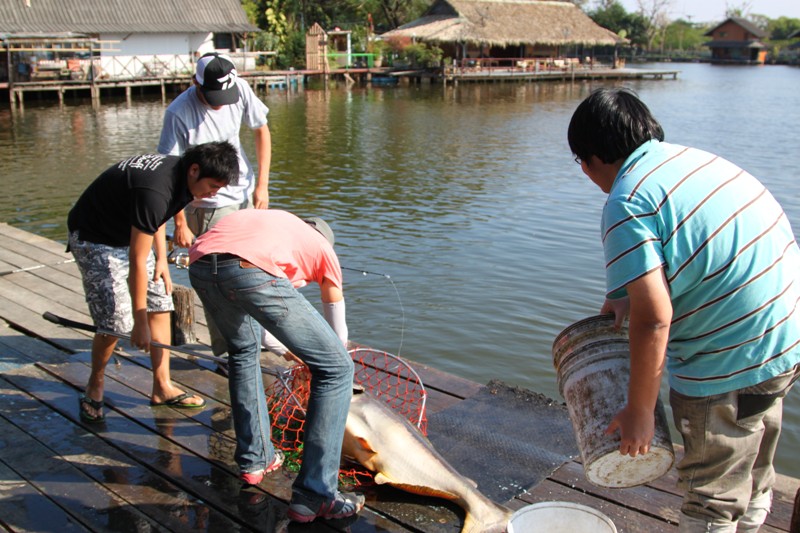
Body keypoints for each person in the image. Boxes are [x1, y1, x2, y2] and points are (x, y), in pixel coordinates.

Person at [567, 87, 800, 532]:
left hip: (726, 359)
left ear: (591, 157)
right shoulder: (696, 162)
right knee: (753, 468)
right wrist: (616, 305)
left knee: (710, 497)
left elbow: (654, 318)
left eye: (579, 162)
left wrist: (639, 411)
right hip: (784, 335)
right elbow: (668, 264)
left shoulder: (627, 201)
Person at [187, 209, 364, 523]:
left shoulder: (275, 224)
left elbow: (261, 313)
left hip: (200, 263)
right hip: (248, 267)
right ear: (326, 241)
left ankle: (255, 460)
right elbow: (335, 322)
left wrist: (290, 350)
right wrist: (329, 359)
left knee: (242, 353)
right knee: (337, 369)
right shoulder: (323, 249)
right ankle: (316, 495)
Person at [67, 141, 239, 422]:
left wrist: (162, 259)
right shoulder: (155, 188)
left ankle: (162, 386)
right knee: (116, 322)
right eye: (213, 186)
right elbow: (137, 258)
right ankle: (95, 384)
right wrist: (140, 321)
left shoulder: (184, 178)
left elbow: (159, 217)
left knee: (161, 301)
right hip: (95, 237)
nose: (213, 193)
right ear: (195, 170)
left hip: (131, 232)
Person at [158, 51, 272, 361]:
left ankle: (255, 339)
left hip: (244, 194)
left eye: (225, 95)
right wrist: (179, 222)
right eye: (213, 96)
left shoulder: (240, 90)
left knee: (251, 267)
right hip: (205, 205)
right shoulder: (179, 113)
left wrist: (262, 185)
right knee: (218, 279)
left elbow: (261, 130)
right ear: (195, 83)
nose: (221, 102)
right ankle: (228, 352)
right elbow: (170, 171)